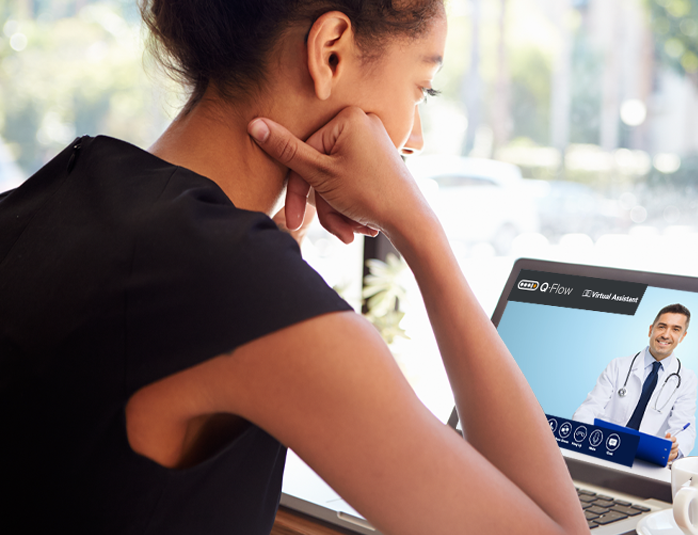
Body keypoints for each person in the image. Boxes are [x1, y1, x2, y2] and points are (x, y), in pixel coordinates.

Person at [0, 1, 589, 534]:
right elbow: (562, 527)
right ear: (330, 50)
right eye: (422, 88)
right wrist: (420, 229)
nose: (416, 139)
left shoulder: (59, 188)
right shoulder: (234, 283)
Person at [573, 304, 697, 462]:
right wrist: (588, 438)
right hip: (601, 450)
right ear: (650, 330)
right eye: (662, 326)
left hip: (645, 460)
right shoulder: (618, 366)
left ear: (683, 336)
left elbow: (684, 426)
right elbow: (588, 410)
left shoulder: (687, 379)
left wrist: (675, 449)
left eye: (675, 329)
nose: (666, 335)